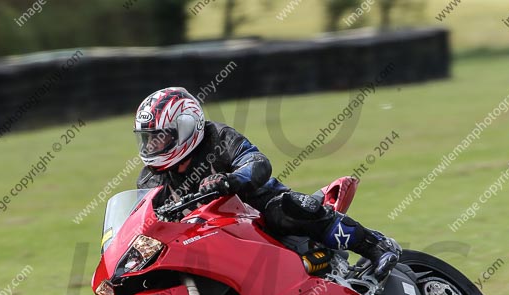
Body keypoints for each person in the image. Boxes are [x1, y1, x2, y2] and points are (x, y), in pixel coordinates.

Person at [134, 87, 401, 279]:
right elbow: (141, 221)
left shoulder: (217, 138)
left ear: (186, 127)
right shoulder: (150, 178)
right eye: (148, 139)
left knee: (284, 209)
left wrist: (230, 181)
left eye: (161, 137)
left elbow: (257, 162)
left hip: (255, 212)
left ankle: (375, 246)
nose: (153, 145)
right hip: (206, 238)